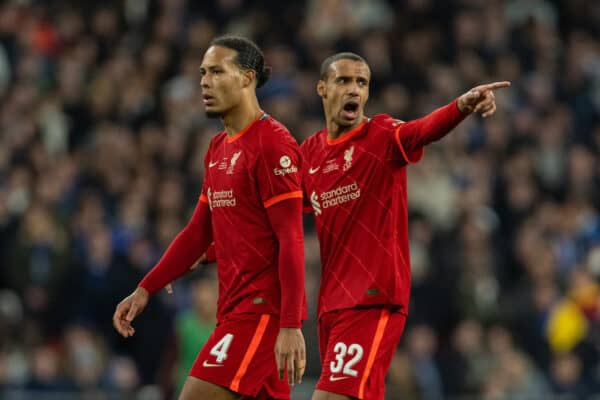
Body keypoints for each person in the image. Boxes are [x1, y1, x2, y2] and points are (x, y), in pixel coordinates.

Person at [300, 52, 509, 400]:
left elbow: (421, 131)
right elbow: (279, 215)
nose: (353, 89)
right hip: (331, 304)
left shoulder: (380, 135)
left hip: (372, 298)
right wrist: (214, 250)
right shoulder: (309, 153)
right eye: (344, 80)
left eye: (361, 82)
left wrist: (461, 105)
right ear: (322, 88)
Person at [113, 36, 307, 400]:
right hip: (232, 310)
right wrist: (146, 288)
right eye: (203, 73)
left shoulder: (272, 144)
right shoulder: (218, 148)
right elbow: (197, 232)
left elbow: (291, 238)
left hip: (261, 315)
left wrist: (290, 325)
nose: (204, 81)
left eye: (217, 71)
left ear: (247, 78)